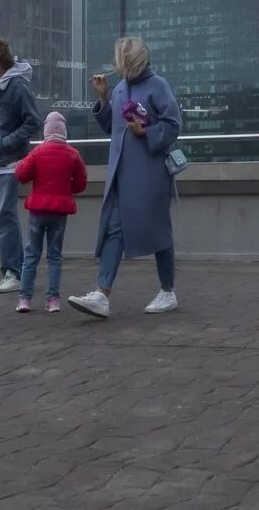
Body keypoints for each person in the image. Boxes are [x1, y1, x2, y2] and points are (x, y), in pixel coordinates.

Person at [69, 37, 181, 319]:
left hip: (150, 174)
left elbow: (173, 125)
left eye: (129, 61)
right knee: (115, 228)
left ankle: (167, 290)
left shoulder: (158, 86)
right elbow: (112, 127)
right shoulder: (119, 88)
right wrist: (103, 97)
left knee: (158, 230)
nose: (124, 66)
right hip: (121, 174)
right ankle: (102, 293)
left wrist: (147, 131)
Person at [0, 35, 43, 295]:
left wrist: (6, 141)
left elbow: (34, 120)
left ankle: (13, 272)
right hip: (0, 158)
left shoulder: (16, 86)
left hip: (10, 160)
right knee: (5, 216)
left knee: (6, 216)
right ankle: (13, 271)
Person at [13, 111, 87, 313]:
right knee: (54, 256)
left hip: (38, 210)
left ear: (45, 131)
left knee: (31, 255)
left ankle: (24, 299)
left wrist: (20, 164)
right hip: (59, 212)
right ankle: (53, 300)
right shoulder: (73, 154)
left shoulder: (37, 152)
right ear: (64, 131)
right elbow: (81, 183)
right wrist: (65, 191)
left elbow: (22, 175)